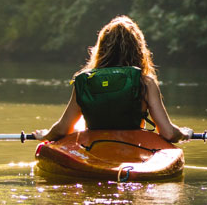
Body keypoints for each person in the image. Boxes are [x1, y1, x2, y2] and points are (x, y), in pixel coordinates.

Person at [32, 16, 191, 143]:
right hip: (133, 149)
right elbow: (168, 133)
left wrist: (46, 135)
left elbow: (62, 129)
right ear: (138, 49)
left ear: (101, 48)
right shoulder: (146, 83)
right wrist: (183, 133)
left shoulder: (85, 81)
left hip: (94, 149)